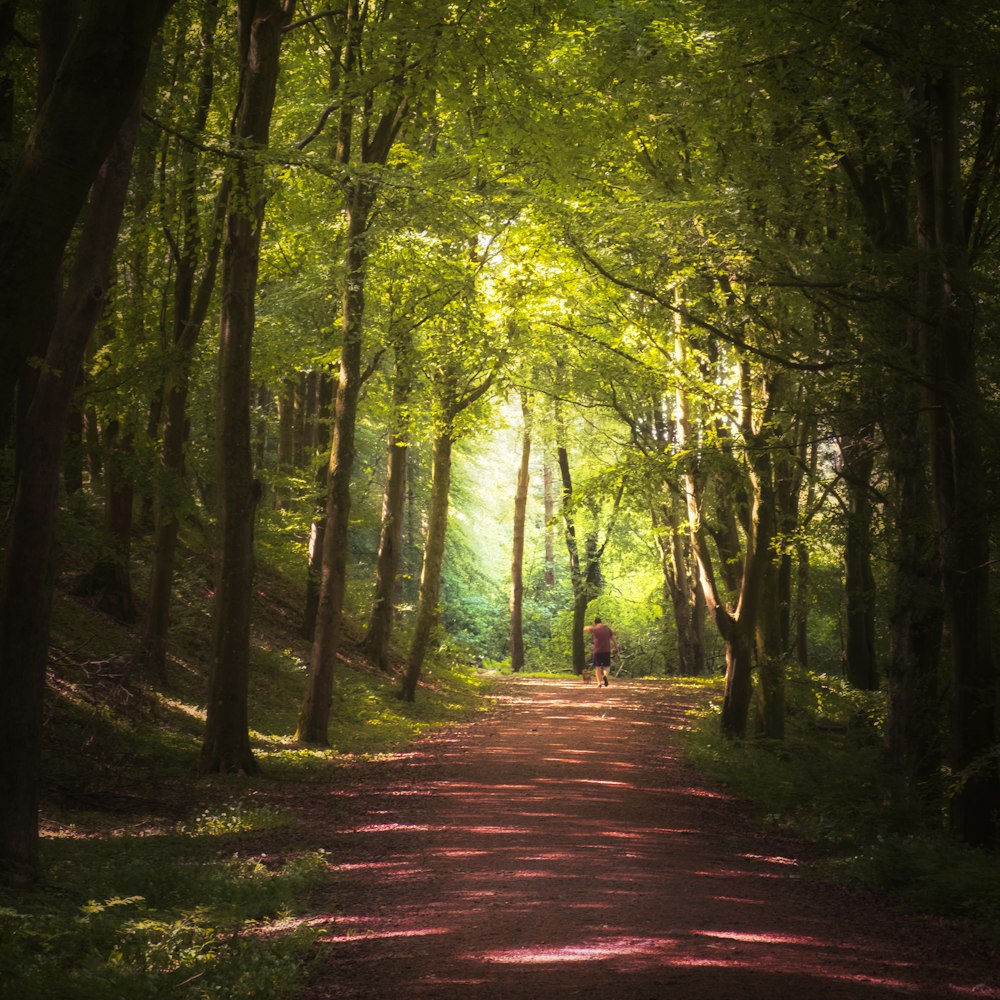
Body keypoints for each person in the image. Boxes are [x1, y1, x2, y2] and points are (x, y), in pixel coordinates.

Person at [583, 616, 619, 686]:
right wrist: (616, 648)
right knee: (607, 666)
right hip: (606, 650)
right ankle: (605, 675)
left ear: (595, 623)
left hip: (597, 651)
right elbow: (613, 638)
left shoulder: (595, 628)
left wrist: (584, 628)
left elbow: (586, 628)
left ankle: (599, 683)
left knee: (597, 667)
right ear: (601, 621)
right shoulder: (607, 628)